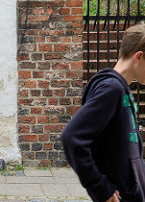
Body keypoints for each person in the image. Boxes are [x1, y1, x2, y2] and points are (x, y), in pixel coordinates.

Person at [61, 23, 145, 202]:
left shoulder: (121, 90)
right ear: (139, 56)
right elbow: (72, 137)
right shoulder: (111, 89)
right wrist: (99, 187)